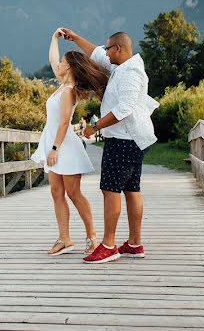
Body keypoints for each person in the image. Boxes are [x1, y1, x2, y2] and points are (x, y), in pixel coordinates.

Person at [60, 28, 159, 263]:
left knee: (111, 189)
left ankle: (108, 245)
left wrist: (95, 126)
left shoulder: (131, 73)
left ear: (119, 49)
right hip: (129, 139)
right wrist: (74, 38)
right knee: (131, 189)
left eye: (108, 48)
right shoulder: (120, 66)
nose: (105, 52)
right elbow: (95, 53)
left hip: (125, 139)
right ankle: (134, 244)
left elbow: (124, 109)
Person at [31, 28, 109, 256]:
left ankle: (92, 237)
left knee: (74, 193)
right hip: (53, 143)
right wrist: (54, 37)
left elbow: (64, 123)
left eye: (63, 61)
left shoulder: (68, 91)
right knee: (56, 192)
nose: (59, 64)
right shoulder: (61, 85)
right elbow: (52, 58)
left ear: (70, 66)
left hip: (63, 146)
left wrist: (54, 149)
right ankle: (64, 239)